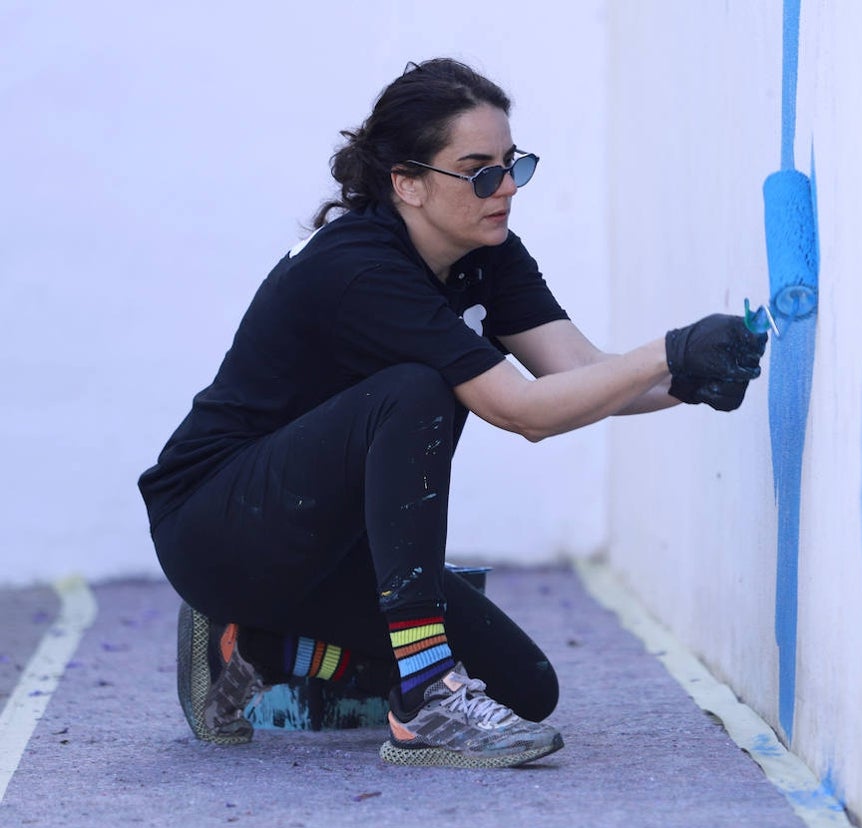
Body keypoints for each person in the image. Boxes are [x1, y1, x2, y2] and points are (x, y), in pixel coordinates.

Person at [137, 58, 767, 769]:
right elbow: (521, 411)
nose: (504, 190)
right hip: (218, 527)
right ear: (406, 182)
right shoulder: (361, 268)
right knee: (417, 388)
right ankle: (428, 697)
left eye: (512, 166)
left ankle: (250, 649)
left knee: (524, 688)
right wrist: (669, 350)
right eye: (478, 171)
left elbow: (583, 375)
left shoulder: (485, 251)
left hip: (324, 545)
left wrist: (686, 379)